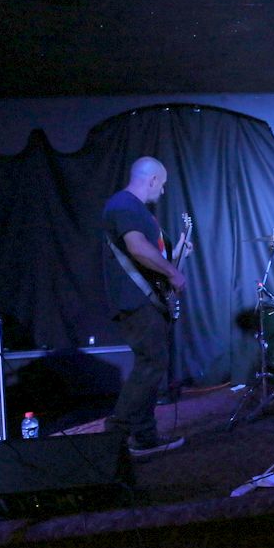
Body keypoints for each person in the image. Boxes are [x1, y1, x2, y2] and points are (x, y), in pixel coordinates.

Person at [102, 156, 192, 456]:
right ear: (152, 179)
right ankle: (116, 433)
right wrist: (174, 274)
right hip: (137, 300)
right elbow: (137, 248)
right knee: (151, 364)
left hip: (145, 299)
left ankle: (143, 436)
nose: (162, 191)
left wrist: (177, 254)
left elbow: (150, 257)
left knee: (152, 365)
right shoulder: (124, 205)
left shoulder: (136, 210)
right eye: (162, 184)